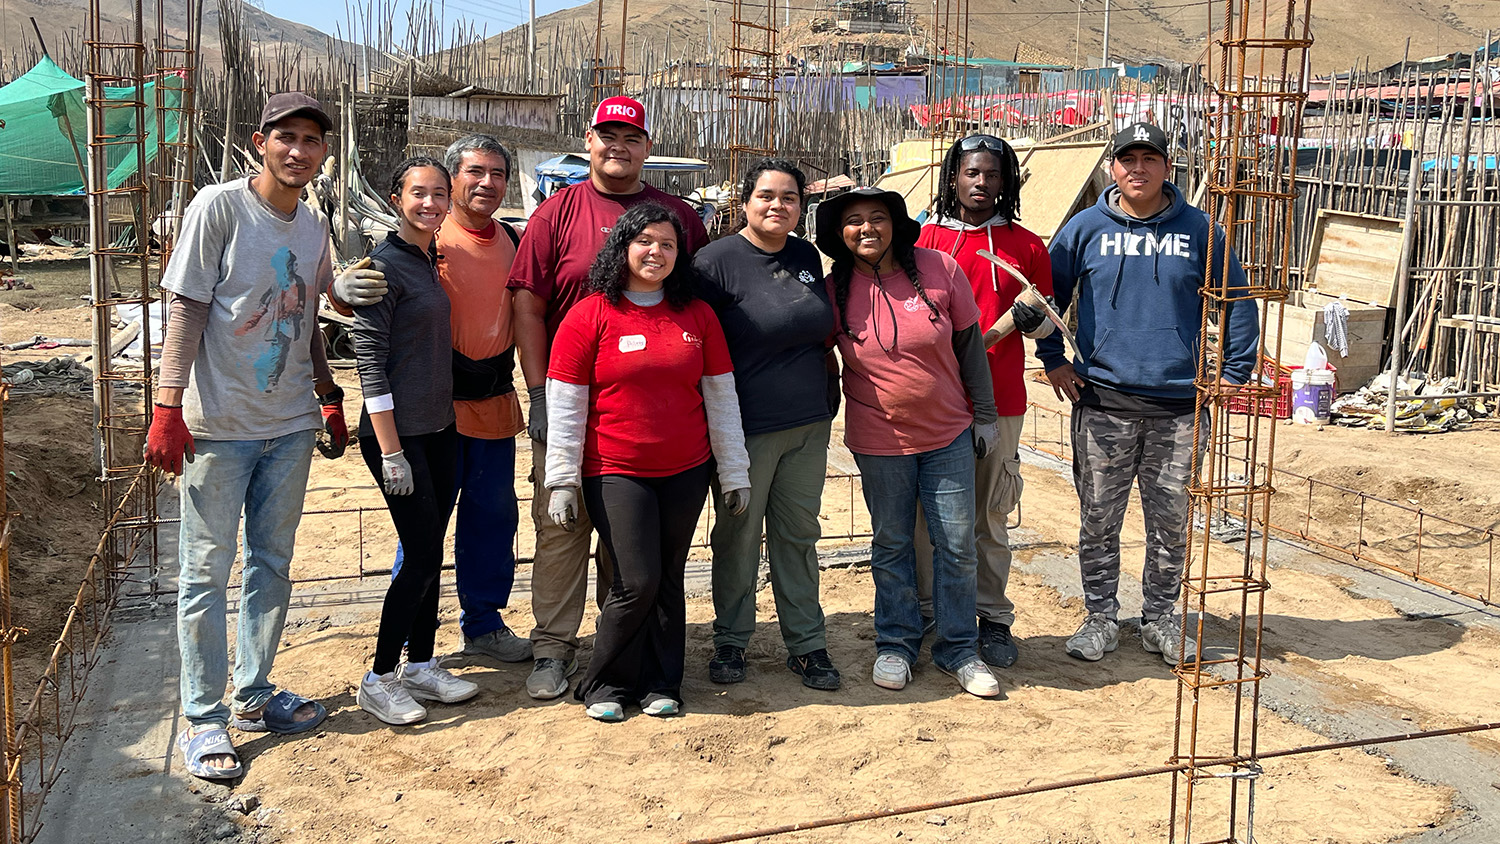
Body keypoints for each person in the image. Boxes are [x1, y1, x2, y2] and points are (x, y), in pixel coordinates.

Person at [147, 93, 366, 779]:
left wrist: (327, 395)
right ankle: (205, 720)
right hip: (220, 425)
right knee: (205, 575)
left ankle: (252, 694)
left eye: (312, 141)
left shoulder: (313, 224)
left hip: (288, 427)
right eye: (287, 138)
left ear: (324, 154)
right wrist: (166, 406)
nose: (299, 151)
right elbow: (186, 308)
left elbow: (301, 318)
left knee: (272, 565)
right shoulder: (219, 207)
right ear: (259, 142)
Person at [508, 95, 709, 700]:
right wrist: (540, 393)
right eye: (606, 135)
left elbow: (697, 302)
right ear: (588, 141)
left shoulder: (677, 216)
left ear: (648, 146)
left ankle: (621, 653)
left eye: (631, 136)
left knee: (633, 546)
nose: (617, 146)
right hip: (572, 403)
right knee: (563, 525)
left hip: (650, 407)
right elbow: (527, 303)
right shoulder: (557, 212)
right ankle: (552, 646)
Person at [1038, 122, 1259, 666]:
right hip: (1104, 403)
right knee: (1099, 518)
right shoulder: (1085, 228)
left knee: (1170, 520)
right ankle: (1099, 619)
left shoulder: (1200, 230)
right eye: (1127, 158)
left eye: (1149, 158)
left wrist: (1234, 371)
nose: (1138, 168)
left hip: (1179, 408)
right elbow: (1045, 299)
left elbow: (1237, 298)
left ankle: (1160, 618)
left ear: (1167, 166)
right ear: (1112, 166)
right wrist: (1054, 362)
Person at [543, 202, 751, 721]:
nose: (655, 252)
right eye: (644, 242)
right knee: (635, 579)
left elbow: (721, 398)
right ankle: (605, 682)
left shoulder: (697, 315)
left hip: (685, 469)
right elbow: (566, 402)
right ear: (622, 248)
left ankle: (663, 683)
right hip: (615, 468)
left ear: (680, 255)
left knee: (669, 578)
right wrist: (562, 479)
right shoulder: (590, 314)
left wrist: (734, 470)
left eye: (667, 244)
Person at [815, 187, 1002, 699]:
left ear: (896, 224)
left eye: (878, 218)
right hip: (878, 439)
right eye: (853, 221)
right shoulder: (834, 290)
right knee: (892, 544)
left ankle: (960, 648)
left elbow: (969, 347)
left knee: (957, 545)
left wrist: (984, 416)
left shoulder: (940, 268)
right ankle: (895, 643)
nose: (867, 228)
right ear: (839, 233)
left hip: (948, 434)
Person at [693, 159, 841, 691]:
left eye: (789, 198)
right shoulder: (715, 262)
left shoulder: (805, 255)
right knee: (738, 535)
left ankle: (806, 643)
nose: (777, 205)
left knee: (798, 535)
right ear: (745, 201)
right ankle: (731, 639)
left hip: (808, 425)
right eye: (766, 196)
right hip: (745, 429)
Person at [386, 135, 532, 665]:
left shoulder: (515, 241)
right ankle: (407, 632)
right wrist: (341, 288)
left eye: (498, 173)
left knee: (493, 518)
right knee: (425, 525)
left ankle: (485, 623)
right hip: (434, 409)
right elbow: (373, 287)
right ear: (452, 183)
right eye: (475, 172)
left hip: (493, 401)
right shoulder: (426, 239)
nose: (487, 183)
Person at [913, 135, 1054, 670]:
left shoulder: (1026, 246)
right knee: (930, 516)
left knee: (990, 514)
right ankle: (930, 611)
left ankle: (991, 618)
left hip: (1002, 400)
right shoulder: (924, 241)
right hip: (935, 403)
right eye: (972, 173)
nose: (982, 183)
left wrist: (1029, 318)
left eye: (993, 175)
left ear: (1006, 181)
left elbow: (1044, 319)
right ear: (954, 177)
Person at [351, 157, 480, 725]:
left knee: (432, 553)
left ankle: (422, 664)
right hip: (398, 436)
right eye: (418, 193)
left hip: (439, 429)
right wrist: (393, 451)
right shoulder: (384, 267)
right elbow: (370, 366)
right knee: (422, 553)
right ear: (396, 196)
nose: (430, 203)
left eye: (439, 195)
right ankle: (379, 677)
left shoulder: (428, 259)